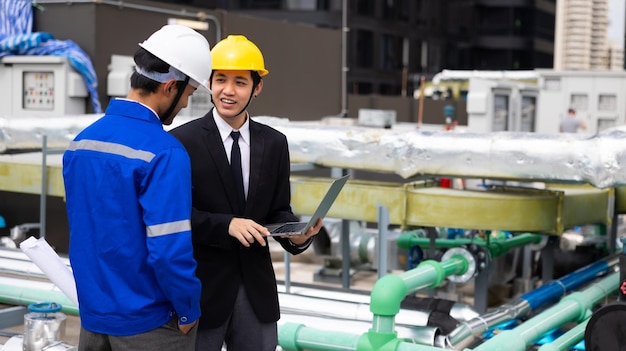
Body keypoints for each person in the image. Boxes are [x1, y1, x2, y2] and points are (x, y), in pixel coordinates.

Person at [62, 24, 212, 351]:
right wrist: (187, 309)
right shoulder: (164, 151)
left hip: (93, 318)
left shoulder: (81, 143)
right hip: (149, 324)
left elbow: (87, 234)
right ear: (170, 86)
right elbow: (169, 249)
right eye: (188, 94)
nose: (186, 105)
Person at [169, 35, 322, 351]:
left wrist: (296, 235)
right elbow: (173, 217)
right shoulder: (182, 142)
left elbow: (278, 209)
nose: (228, 90)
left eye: (240, 82)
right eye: (220, 80)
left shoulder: (274, 143)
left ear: (257, 87)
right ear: (209, 83)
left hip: (256, 291)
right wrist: (226, 224)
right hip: (202, 290)